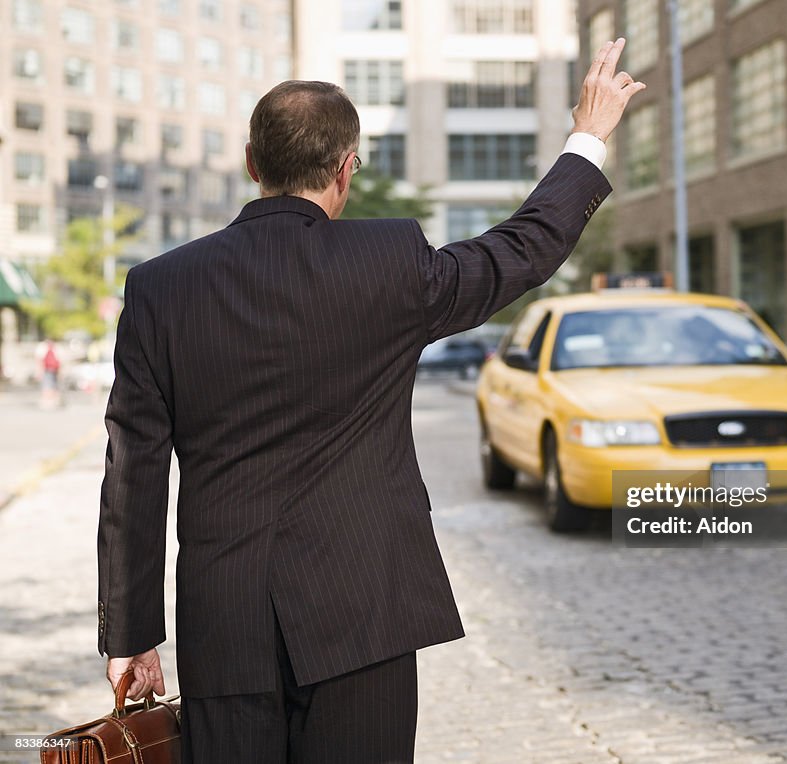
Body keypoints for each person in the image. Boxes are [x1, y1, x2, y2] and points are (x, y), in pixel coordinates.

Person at [97, 38, 644, 763]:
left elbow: (133, 471)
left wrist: (131, 633)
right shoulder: (389, 263)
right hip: (363, 615)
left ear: (253, 164)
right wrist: (589, 135)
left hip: (225, 626)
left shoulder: (160, 287)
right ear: (346, 167)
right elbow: (522, 250)